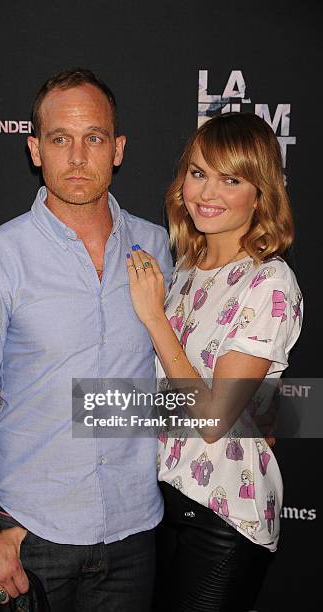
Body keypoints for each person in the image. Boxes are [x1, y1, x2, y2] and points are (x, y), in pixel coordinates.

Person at [0, 68, 173, 611]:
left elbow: (182, 381)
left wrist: (251, 418)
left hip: (137, 534)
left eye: (94, 137)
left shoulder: (159, 248)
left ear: (119, 149)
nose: (78, 156)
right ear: (35, 149)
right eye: (60, 139)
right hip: (30, 539)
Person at [126, 112, 303, 611]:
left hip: (226, 517)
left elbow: (210, 420)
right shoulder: (182, 272)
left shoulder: (269, 282)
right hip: (164, 499)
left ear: (260, 193)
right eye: (199, 172)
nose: (207, 192)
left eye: (231, 179)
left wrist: (153, 318)